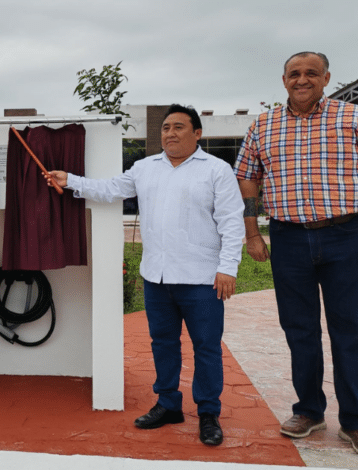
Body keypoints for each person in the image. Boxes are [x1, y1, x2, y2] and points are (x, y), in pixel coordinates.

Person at [47, 104, 244, 446]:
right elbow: (110, 189)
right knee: (163, 344)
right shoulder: (145, 168)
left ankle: (209, 412)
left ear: (197, 133)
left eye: (179, 127)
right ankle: (168, 404)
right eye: (166, 127)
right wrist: (71, 181)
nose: (170, 133)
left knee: (207, 347)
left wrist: (228, 267)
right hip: (157, 278)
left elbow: (231, 220)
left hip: (202, 279)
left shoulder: (216, 170)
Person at [234, 52, 358, 459]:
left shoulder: (355, 118)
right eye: (295, 73)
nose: (302, 79)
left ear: (326, 78)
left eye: (311, 73)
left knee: (349, 330)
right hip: (288, 239)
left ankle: (356, 422)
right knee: (299, 329)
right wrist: (252, 232)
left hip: (343, 236)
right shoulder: (264, 125)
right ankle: (309, 411)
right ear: (284, 80)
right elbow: (247, 178)